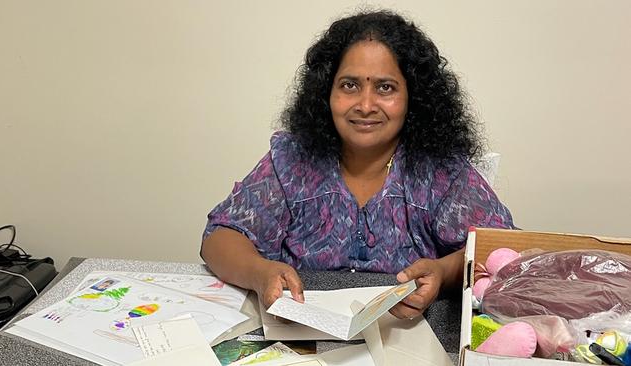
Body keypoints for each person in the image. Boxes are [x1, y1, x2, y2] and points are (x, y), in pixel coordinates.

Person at [201, 10, 514, 320]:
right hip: (300, 335)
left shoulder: (440, 170)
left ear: (412, 97)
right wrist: (260, 273)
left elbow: (502, 250)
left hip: (406, 337)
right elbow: (220, 237)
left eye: (385, 88)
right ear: (327, 92)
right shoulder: (293, 159)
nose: (365, 105)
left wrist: (442, 272)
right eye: (349, 85)